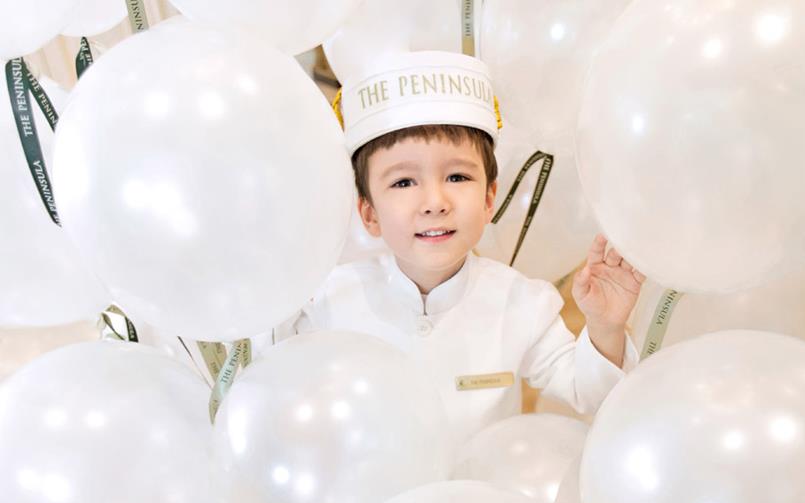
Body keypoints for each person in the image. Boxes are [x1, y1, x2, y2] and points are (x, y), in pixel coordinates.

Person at [271, 50, 646, 447]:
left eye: (457, 177)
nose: (435, 202)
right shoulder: (325, 302)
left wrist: (606, 326)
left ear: (489, 198)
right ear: (369, 213)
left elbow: (590, 395)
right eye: (403, 182)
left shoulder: (521, 303)